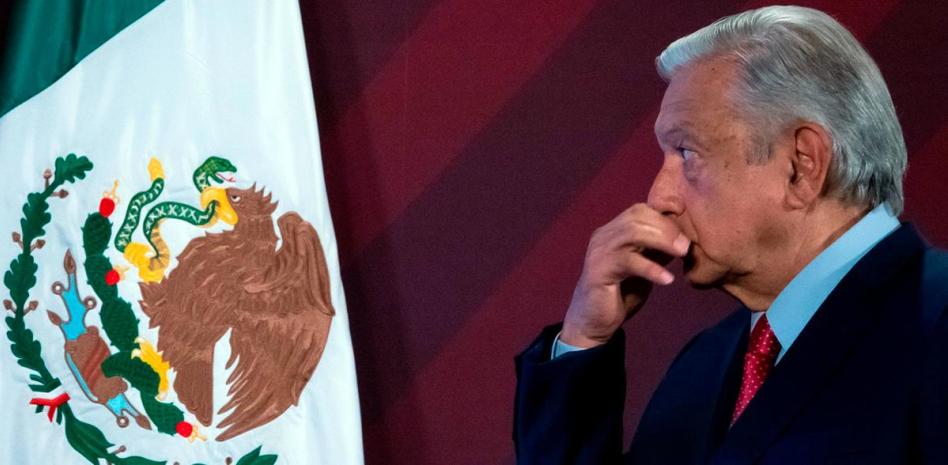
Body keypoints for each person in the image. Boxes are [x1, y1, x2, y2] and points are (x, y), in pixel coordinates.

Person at [513, 6, 948, 465]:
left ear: (801, 165)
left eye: (686, 152)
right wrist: (584, 339)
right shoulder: (705, 365)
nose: (659, 197)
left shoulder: (936, 322)